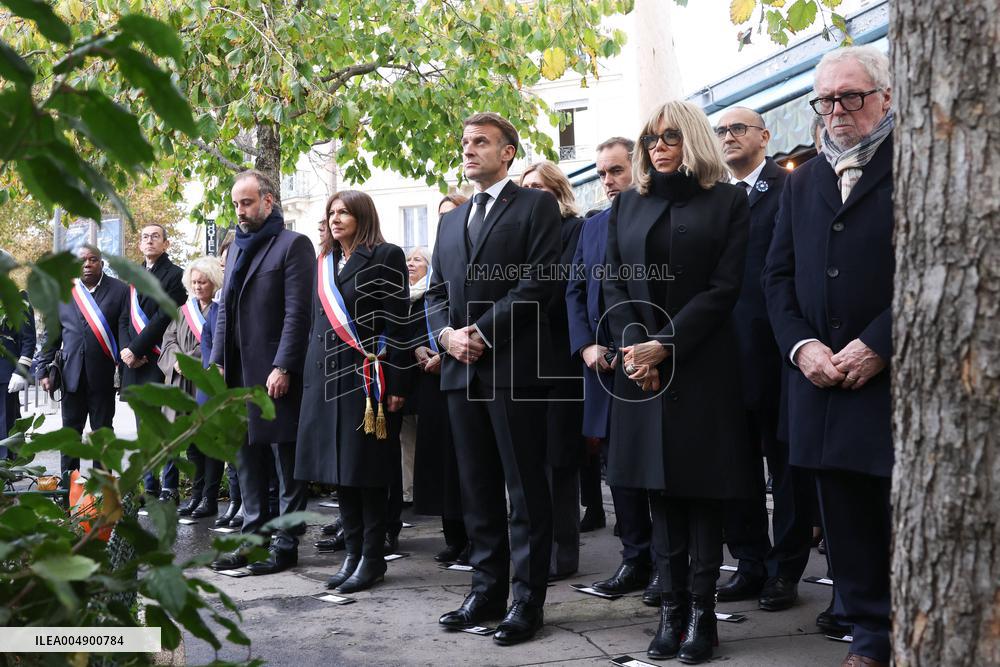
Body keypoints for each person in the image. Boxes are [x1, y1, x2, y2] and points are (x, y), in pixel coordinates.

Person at [603, 100, 752, 664]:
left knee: (702, 493)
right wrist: (637, 347)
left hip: (704, 367)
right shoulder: (627, 207)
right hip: (642, 371)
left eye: (669, 136)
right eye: (649, 139)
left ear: (692, 139)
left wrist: (665, 344)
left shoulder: (729, 201)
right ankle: (670, 611)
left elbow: (724, 288)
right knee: (657, 493)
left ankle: (703, 616)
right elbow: (613, 284)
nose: (658, 146)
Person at [763, 45, 895, 667]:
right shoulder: (805, 180)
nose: (838, 109)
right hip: (819, 385)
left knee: (899, 520)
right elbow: (777, 278)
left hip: (893, 384)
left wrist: (881, 342)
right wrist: (801, 346)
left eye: (852, 96)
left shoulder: (920, 164)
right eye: (827, 100)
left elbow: (943, 270)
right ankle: (870, 639)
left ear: (885, 98)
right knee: (843, 524)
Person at [427, 112, 560, 646]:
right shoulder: (449, 221)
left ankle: (527, 600)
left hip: (513, 368)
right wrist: (445, 337)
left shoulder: (535, 206)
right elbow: (434, 293)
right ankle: (486, 591)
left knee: (524, 490)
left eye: (481, 142)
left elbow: (538, 283)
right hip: (461, 372)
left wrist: (480, 331)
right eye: (464, 142)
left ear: (508, 152)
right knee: (476, 487)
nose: (469, 149)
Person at [713, 107, 816, 614]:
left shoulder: (789, 188)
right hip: (723, 356)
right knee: (735, 467)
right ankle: (749, 562)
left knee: (788, 468)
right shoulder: (715, 199)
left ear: (764, 136)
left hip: (778, 353)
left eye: (738, 129)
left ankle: (785, 570)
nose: (728, 137)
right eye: (722, 131)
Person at [294, 190, 410, 593]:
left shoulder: (387, 255)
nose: (336, 218)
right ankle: (352, 551)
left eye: (345, 212)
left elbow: (398, 323)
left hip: (366, 380)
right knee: (339, 473)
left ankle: (373, 557)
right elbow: (314, 323)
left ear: (363, 216)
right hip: (326, 380)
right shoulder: (324, 262)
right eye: (332, 212)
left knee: (368, 472)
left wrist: (396, 382)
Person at [568, 137, 662, 606]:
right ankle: (634, 557)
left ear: (637, 168)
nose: (607, 182)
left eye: (616, 171)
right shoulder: (592, 227)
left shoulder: (658, 214)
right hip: (601, 367)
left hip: (651, 363)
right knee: (617, 467)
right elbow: (575, 290)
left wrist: (647, 349)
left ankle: (666, 562)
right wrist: (585, 345)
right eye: (602, 173)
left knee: (655, 464)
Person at [209, 170, 314, 576]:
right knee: (247, 461)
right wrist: (216, 361)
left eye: (247, 202)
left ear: (268, 201)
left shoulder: (294, 245)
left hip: (273, 373)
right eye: (236, 203)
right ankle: (254, 541)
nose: (240, 210)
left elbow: (298, 313)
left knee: (285, 463)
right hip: (236, 374)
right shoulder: (235, 247)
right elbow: (224, 311)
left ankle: (286, 545)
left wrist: (284, 364)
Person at [519, 160, 585, 581]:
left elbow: (566, 288)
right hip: (523, 356)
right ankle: (532, 548)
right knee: (529, 460)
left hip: (560, 357)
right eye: (526, 188)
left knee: (560, 458)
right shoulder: (520, 233)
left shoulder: (573, 229)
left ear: (557, 191)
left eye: (539, 187)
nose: (532, 194)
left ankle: (565, 550)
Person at [407, 215, 469, 563]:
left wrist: (446, 356)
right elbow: (418, 325)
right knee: (440, 463)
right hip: (431, 379)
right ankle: (452, 536)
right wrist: (419, 348)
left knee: (465, 462)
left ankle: (474, 535)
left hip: (461, 370)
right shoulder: (427, 291)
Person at [38, 245, 129, 474]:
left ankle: (103, 493)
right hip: (70, 376)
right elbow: (51, 336)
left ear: (101, 263)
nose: (87, 264)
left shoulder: (119, 290)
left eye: (93, 259)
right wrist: (42, 371)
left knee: (103, 436)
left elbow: (124, 332)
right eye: (82, 261)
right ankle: (69, 492)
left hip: (104, 377)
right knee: (70, 436)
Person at [119, 223, 185, 501]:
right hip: (135, 363)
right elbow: (124, 318)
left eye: (155, 237)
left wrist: (136, 348)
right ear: (140, 244)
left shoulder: (176, 275)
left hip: (160, 361)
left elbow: (162, 317)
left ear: (165, 244)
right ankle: (150, 487)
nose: (149, 241)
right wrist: (126, 350)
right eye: (145, 237)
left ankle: (169, 488)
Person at [158, 257, 224, 518]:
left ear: (213, 283)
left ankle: (210, 498)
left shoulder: (220, 310)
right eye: (194, 282)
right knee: (193, 445)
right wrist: (176, 360)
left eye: (203, 282)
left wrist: (189, 360)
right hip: (183, 384)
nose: (197, 286)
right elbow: (168, 340)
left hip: (207, 383)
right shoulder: (183, 311)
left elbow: (215, 345)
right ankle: (196, 496)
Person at [212, 230, 244, 528]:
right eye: (223, 264)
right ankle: (236, 500)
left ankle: (248, 503)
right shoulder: (219, 297)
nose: (225, 268)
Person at [0, 249, 35, 455]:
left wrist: (21, 371)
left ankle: (6, 469)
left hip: (5, 372)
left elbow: (29, 340)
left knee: (5, 422)